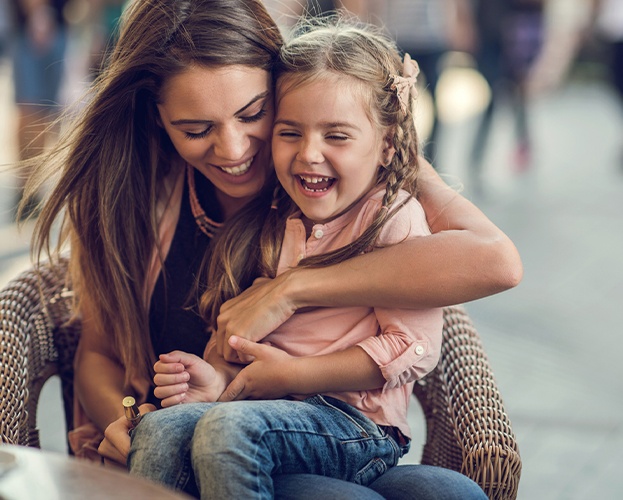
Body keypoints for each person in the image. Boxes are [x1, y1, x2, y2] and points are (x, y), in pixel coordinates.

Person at [21, 0, 521, 496]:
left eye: (254, 114)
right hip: (207, 439)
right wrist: (125, 420)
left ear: (282, 86)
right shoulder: (129, 196)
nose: (235, 150)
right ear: (157, 119)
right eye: (196, 130)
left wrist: (293, 288)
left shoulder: (334, 177)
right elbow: (98, 351)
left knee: (444, 492)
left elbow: (494, 262)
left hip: (318, 430)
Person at [130, 20, 447, 499]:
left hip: (357, 428)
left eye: (336, 136)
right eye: (290, 133)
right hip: (274, 416)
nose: (309, 155)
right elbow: (254, 340)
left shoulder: (394, 219)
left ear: (385, 145)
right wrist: (216, 379)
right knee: (159, 429)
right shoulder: (277, 218)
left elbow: (414, 347)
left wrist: (294, 376)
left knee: (229, 431)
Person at [8, 0, 70, 220]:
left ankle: (30, 187)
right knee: (31, 112)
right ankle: (25, 185)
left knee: (42, 114)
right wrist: (38, 14)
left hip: (57, 26)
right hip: (33, 28)